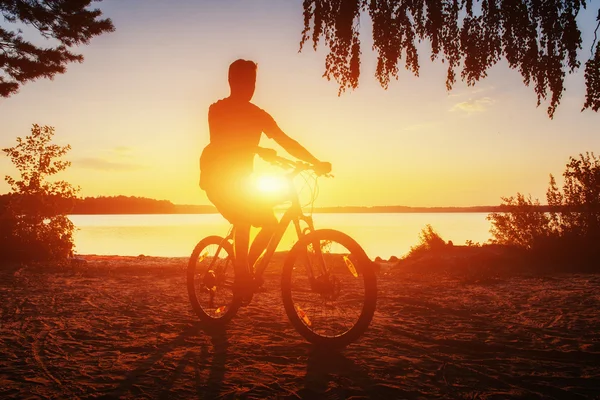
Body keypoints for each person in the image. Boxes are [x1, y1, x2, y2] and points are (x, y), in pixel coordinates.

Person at [199, 59, 331, 298]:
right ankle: (242, 275)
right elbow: (222, 144)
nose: (250, 87)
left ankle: (245, 270)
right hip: (217, 179)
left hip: (242, 182)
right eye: (244, 81)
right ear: (231, 81)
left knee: (270, 224)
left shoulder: (258, 115)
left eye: (253, 82)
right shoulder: (217, 109)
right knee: (243, 217)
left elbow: (286, 141)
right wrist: (259, 151)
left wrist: (315, 162)